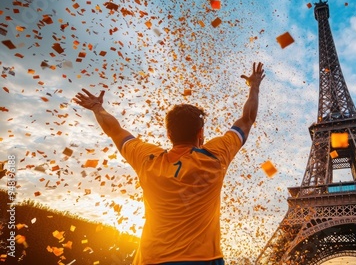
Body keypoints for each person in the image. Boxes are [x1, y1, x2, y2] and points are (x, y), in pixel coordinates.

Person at [73, 62, 265, 265]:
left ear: (168, 134)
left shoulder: (148, 159)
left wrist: (97, 107)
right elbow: (247, 119)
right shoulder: (215, 156)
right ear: (200, 134)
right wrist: (254, 87)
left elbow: (115, 130)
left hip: (151, 259)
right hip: (203, 259)